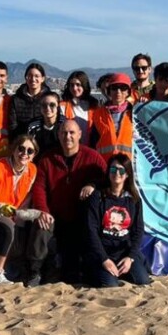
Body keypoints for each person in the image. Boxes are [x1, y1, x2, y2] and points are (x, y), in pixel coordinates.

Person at [32, 120, 107, 284]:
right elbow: (39, 188)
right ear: (58, 135)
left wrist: (92, 184)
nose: (68, 136)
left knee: (71, 272)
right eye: (64, 133)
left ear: (80, 134)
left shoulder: (92, 157)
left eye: (72, 133)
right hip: (55, 215)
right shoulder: (47, 159)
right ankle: (35, 271)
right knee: (41, 228)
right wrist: (42, 210)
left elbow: (106, 179)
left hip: (81, 218)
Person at [0, 134, 52, 284]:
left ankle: (30, 269)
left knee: (42, 221)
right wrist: (3, 209)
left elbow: (26, 202)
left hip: (16, 215)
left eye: (30, 151)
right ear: (14, 150)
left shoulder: (32, 171)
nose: (24, 154)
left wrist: (37, 214)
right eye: (21, 149)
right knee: (9, 228)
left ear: (34, 155)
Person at [86, 154, 152, 288]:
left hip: (124, 252)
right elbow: (91, 230)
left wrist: (130, 258)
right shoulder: (98, 197)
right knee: (110, 285)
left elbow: (138, 231)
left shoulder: (133, 199)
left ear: (127, 174)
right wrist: (104, 259)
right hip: (103, 253)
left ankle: (123, 270)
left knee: (142, 280)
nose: (117, 173)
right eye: (113, 169)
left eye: (122, 170)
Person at [88, 73, 135, 159]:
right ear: (109, 91)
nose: (118, 91)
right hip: (104, 164)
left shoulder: (135, 113)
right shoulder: (98, 114)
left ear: (128, 91)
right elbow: (93, 142)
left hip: (128, 165)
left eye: (123, 88)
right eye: (114, 88)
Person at [7, 62, 51, 138]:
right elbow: (12, 126)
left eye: (37, 76)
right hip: (22, 143)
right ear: (26, 78)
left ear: (42, 78)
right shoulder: (16, 99)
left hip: (45, 142)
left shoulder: (50, 98)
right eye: (30, 76)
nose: (33, 79)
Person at [60, 70, 97, 137]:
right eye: (72, 85)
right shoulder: (62, 106)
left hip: (90, 145)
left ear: (84, 85)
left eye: (78, 85)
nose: (75, 88)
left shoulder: (94, 106)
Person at [26, 92, 65, 156]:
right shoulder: (33, 126)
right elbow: (28, 148)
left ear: (58, 107)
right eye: (44, 105)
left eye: (52, 105)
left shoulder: (65, 124)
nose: (48, 108)